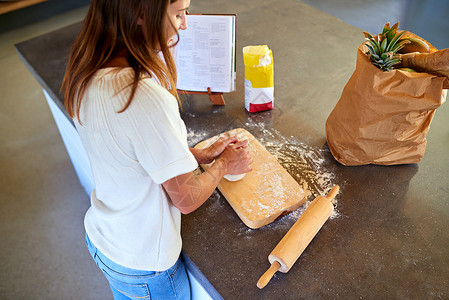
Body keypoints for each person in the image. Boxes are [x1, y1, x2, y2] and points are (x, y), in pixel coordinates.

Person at [61, 0, 252, 299]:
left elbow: (130, 152)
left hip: (105, 238)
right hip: (145, 265)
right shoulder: (142, 96)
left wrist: (193, 155)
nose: (185, 24)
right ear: (142, 15)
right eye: (178, 13)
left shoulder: (86, 69)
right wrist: (224, 164)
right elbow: (186, 199)